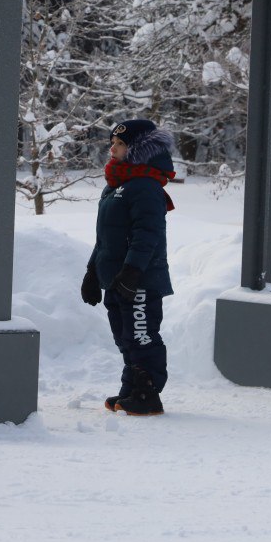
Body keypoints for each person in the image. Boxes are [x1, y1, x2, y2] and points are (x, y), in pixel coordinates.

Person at [80, 119, 176, 416]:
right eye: (113, 143)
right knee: (124, 335)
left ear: (137, 150)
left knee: (141, 334)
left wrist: (133, 270)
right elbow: (106, 236)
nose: (113, 148)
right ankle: (132, 386)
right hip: (116, 277)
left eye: (120, 144)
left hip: (140, 280)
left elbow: (147, 233)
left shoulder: (145, 186)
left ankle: (148, 392)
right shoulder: (117, 186)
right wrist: (93, 272)